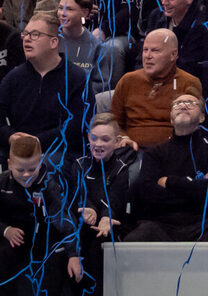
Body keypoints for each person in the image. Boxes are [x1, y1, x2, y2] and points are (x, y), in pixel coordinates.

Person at [0, 133, 76, 296]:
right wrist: (5, 230)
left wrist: (74, 255)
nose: (26, 175)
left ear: (41, 162)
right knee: (3, 254)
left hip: (43, 239)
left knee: (57, 256)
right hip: (12, 240)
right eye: (20, 170)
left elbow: (64, 220)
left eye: (32, 169)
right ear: (9, 164)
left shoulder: (49, 185)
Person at [0, 15, 89, 161]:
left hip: (58, 150)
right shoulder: (14, 77)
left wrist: (37, 141)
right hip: (18, 148)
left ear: (53, 42)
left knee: (48, 163)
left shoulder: (76, 77)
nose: (27, 39)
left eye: (35, 34)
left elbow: (78, 125)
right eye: (25, 34)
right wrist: (10, 136)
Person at [128, 93, 208, 242]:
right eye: (177, 104)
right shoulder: (154, 154)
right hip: (160, 225)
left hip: (204, 225)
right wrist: (196, 185)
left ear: (202, 117)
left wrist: (169, 182)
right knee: (134, 240)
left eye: (191, 103)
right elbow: (147, 193)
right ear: (171, 118)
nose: (183, 105)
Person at [68, 114, 136, 291]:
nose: (98, 144)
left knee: (99, 241)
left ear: (117, 141)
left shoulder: (121, 169)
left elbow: (115, 200)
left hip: (110, 224)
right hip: (83, 222)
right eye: (94, 138)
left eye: (105, 139)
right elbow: (79, 193)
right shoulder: (79, 165)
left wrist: (106, 217)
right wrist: (88, 208)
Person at [109, 29, 202, 148]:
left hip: (171, 150)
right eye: (145, 50)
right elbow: (114, 122)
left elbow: (192, 125)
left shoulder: (189, 82)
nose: (148, 56)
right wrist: (123, 138)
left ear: (173, 55)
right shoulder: (128, 80)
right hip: (132, 150)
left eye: (155, 51)